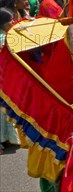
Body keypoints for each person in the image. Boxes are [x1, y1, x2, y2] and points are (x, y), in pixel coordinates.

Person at [0, 8, 20, 155]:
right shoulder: (4, 38)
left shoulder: (8, 36)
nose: (13, 22)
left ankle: (7, 138)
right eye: (9, 21)